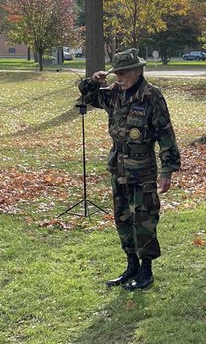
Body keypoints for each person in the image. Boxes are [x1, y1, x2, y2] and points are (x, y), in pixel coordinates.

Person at [77, 47, 180, 290]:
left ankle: (146, 271)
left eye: (123, 73)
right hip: (119, 167)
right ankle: (131, 265)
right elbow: (89, 98)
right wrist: (92, 82)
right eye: (116, 74)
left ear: (137, 71)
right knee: (122, 217)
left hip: (142, 169)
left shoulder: (151, 96)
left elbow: (166, 135)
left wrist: (167, 171)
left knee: (143, 219)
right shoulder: (114, 93)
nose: (118, 78)